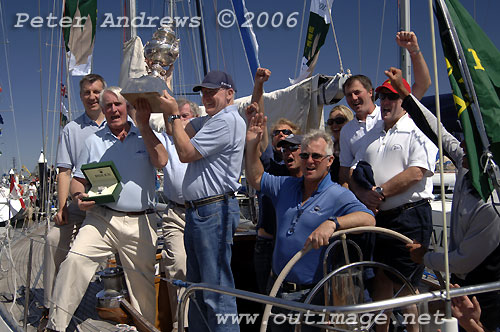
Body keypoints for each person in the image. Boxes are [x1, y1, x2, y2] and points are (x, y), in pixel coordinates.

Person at [381, 67, 500, 331]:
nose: (459, 142)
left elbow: (464, 260)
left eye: (467, 138)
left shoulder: (492, 203)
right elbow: (436, 129)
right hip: (464, 286)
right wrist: (404, 93)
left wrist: (425, 258)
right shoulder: (466, 162)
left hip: (488, 289)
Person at [44, 87, 168, 332]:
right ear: (102, 110)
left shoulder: (146, 135)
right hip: (102, 218)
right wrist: (79, 197)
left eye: (118, 104)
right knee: (74, 263)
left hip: (140, 220)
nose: (113, 109)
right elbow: (78, 180)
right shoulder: (93, 141)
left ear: (127, 107)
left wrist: (143, 125)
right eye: (108, 105)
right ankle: (55, 327)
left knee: (143, 288)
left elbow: (161, 160)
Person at [245, 121, 375, 331]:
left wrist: (333, 223)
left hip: (312, 296)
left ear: (330, 161)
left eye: (316, 156)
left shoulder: (337, 195)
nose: (310, 161)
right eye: (305, 156)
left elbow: (368, 219)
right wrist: (252, 144)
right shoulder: (285, 185)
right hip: (277, 288)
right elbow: (256, 178)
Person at [349, 75, 438, 332]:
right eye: (382, 97)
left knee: (406, 287)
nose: (385, 102)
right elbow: (354, 173)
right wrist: (364, 194)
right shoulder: (371, 135)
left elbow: (416, 173)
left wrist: (378, 192)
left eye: (391, 96)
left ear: (405, 102)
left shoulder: (419, 130)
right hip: (380, 219)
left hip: (409, 217)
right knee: (380, 283)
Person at [159, 70, 245, 332]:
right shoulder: (209, 121)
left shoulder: (226, 121)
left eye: (212, 91)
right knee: (196, 290)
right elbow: (177, 130)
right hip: (200, 213)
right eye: (203, 92)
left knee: (216, 293)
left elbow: (185, 152)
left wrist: (174, 112)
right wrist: (164, 93)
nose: (206, 96)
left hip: (213, 211)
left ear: (230, 93)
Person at [39, 74, 107, 331]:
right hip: (79, 203)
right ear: (81, 96)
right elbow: (65, 171)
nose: (92, 96)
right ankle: (49, 305)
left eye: (97, 91)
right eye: (87, 92)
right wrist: (61, 207)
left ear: (104, 93)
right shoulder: (71, 130)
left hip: (110, 204)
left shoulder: (120, 123)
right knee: (53, 240)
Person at [338, 31, 431, 187]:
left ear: (370, 93)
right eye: (348, 95)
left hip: (396, 201)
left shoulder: (395, 113)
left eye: (357, 92)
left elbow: (423, 84)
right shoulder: (347, 131)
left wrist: (414, 51)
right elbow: (346, 170)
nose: (353, 98)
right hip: (366, 200)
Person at [160, 98, 199, 332]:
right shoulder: (166, 141)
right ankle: (181, 325)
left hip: (203, 212)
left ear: (195, 118)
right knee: (179, 266)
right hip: (175, 214)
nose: (180, 120)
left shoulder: (205, 140)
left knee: (206, 270)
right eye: (177, 116)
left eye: (185, 116)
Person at [326, 105, 353, 183]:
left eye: (339, 121)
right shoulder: (328, 148)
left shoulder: (355, 147)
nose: (334, 125)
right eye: (331, 122)